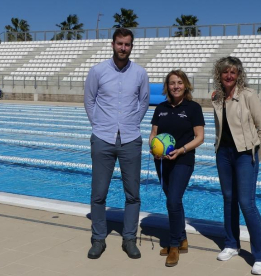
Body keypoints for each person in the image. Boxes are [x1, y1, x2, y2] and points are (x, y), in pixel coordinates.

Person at [84, 28, 149, 260]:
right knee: (98, 193)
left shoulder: (140, 73)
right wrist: (100, 126)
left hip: (130, 139)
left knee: (132, 194)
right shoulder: (97, 71)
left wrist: (130, 124)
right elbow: (89, 101)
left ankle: (129, 238)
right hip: (103, 138)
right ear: (112, 44)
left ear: (132, 46)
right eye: (120, 44)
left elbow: (143, 103)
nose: (123, 48)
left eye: (127, 44)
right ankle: (98, 239)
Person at [211, 56, 261, 275]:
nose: (229, 76)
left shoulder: (248, 95)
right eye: (225, 72)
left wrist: (256, 156)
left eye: (233, 72)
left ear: (239, 75)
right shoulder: (217, 97)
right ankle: (231, 244)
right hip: (223, 154)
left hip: (245, 154)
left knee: (247, 203)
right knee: (229, 199)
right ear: (219, 74)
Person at [149, 70, 205, 267]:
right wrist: (153, 149)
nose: (176, 86)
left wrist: (181, 150)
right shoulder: (161, 108)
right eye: (172, 83)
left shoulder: (193, 108)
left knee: (173, 201)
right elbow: (153, 134)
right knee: (174, 201)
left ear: (186, 85)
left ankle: (173, 245)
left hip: (183, 159)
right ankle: (182, 239)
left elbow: (199, 137)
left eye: (179, 83)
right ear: (167, 86)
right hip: (162, 160)